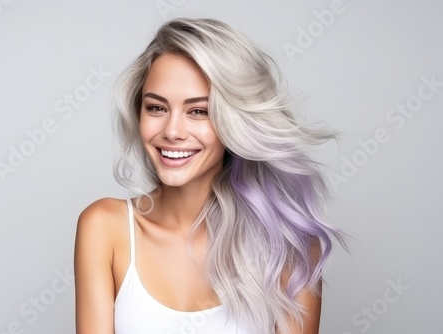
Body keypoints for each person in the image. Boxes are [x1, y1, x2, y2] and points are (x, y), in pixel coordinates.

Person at [74, 18, 345, 334]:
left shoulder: (289, 246)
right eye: (156, 108)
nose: (172, 132)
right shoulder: (105, 227)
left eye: (198, 111)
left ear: (235, 121)